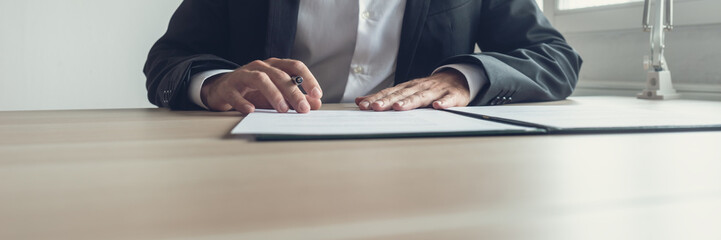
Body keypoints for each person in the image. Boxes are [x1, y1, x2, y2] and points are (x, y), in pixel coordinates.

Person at [144, 0, 582, 114]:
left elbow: (556, 57)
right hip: (260, 161)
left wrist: (464, 78)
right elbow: (169, 58)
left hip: (429, 163)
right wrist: (215, 83)